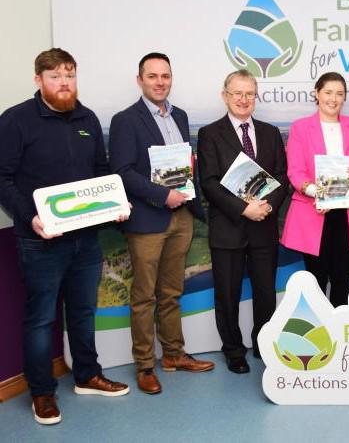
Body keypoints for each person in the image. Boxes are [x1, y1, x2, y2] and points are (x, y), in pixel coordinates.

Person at [0, 48, 129, 425]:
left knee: (83, 311)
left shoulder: (87, 118)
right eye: (55, 76)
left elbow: (102, 171)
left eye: (69, 75)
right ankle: (42, 392)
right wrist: (30, 217)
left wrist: (116, 201)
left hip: (85, 239)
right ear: (38, 80)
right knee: (41, 318)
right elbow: (2, 178)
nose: (64, 83)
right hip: (40, 240)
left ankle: (87, 375)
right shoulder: (16, 120)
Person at [109, 52, 213, 395]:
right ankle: (144, 365)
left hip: (181, 216)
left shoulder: (179, 116)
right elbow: (122, 171)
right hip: (147, 218)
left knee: (171, 292)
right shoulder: (126, 120)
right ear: (140, 80)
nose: (159, 82)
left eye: (165, 76)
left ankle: (173, 354)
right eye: (152, 76)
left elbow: (185, 165)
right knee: (144, 297)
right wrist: (161, 195)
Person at [197, 70, 288, 373]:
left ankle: (264, 343)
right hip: (229, 227)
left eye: (249, 93)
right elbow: (209, 182)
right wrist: (243, 209)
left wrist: (268, 206)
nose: (243, 99)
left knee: (265, 293)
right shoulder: (210, 133)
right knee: (227, 294)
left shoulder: (270, 132)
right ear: (225, 96)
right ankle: (233, 351)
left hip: (264, 225)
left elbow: (282, 176)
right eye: (237, 93)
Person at [281, 72, 349, 307]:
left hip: (348, 213)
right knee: (316, 282)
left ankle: (341, 329)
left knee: (343, 280)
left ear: (344, 97)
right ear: (317, 93)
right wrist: (321, 194)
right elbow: (295, 172)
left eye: (339, 94)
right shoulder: (300, 127)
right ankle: (319, 330)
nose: (333, 99)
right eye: (328, 92)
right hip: (313, 211)